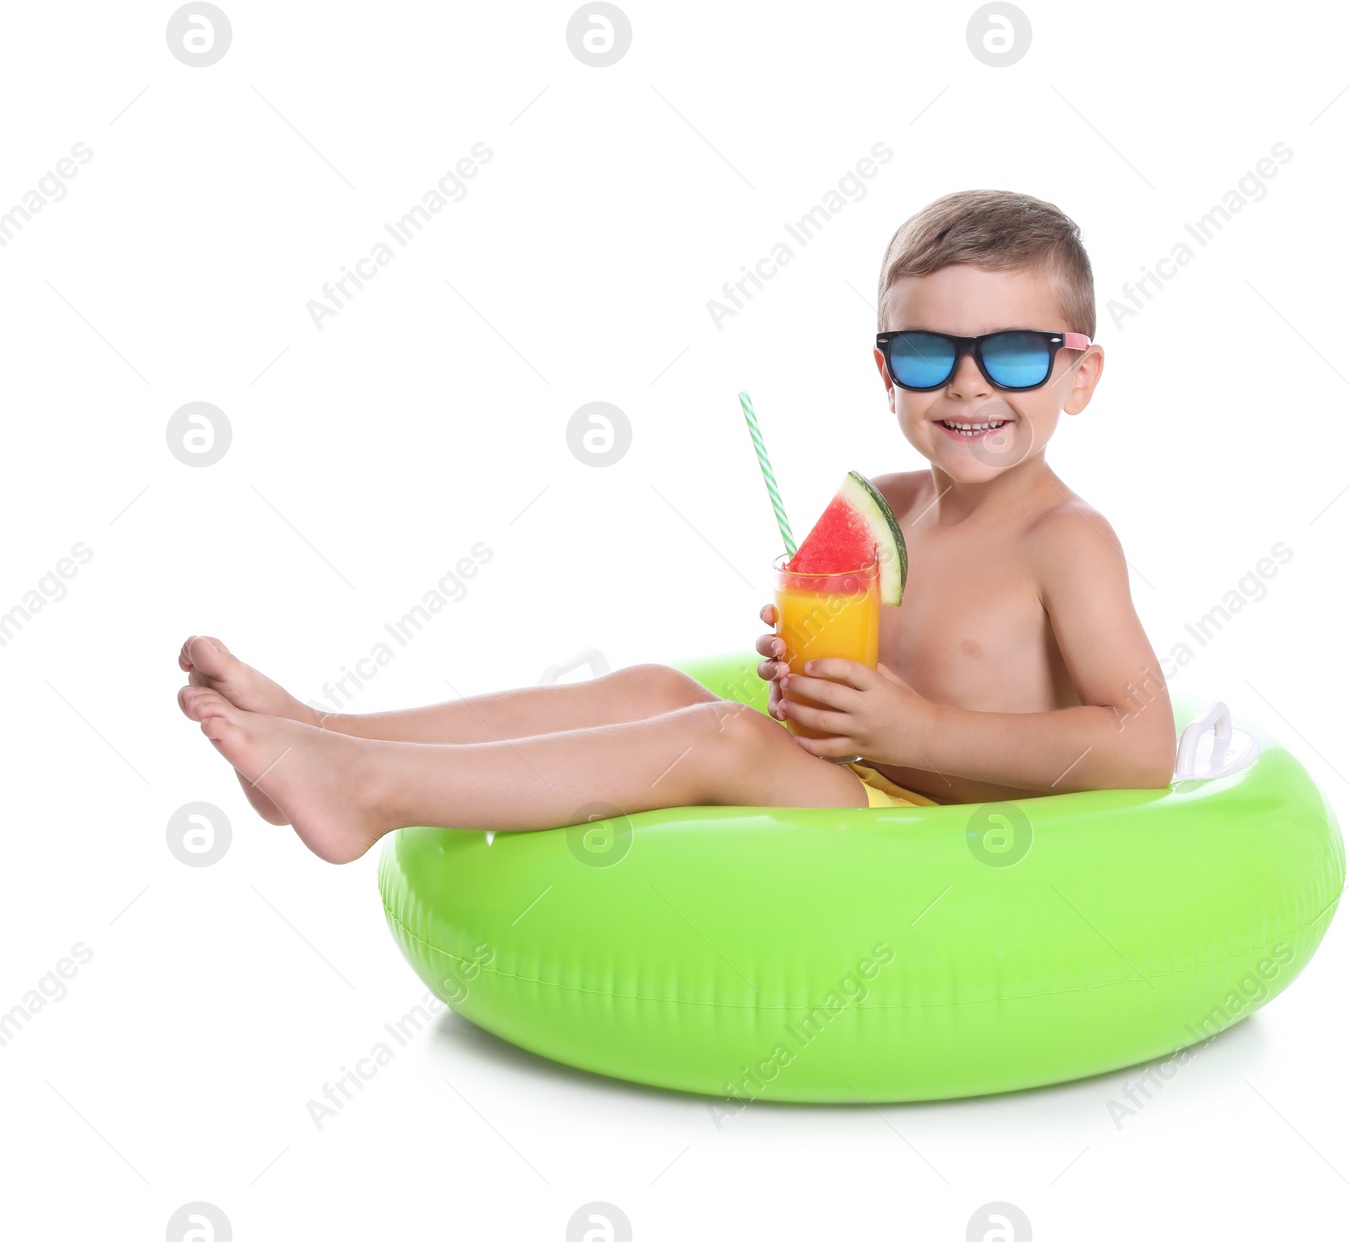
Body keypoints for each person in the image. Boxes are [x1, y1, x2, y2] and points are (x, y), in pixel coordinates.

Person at [176, 189, 1175, 864]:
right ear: (883, 372)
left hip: (950, 833)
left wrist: (913, 726)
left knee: (712, 735)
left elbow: (1139, 748)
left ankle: (371, 787)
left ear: (1080, 374)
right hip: (863, 780)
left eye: (1012, 353)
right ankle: (322, 730)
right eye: (925, 352)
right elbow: (879, 674)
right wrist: (807, 671)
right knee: (655, 685)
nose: (966, 383)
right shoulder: (881, 504)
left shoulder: (1065, 540)